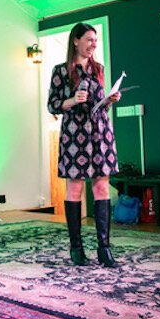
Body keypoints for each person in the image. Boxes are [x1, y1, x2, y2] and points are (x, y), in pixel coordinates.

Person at [47, 23, 121, 268]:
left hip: (100, 133)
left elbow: (99, 104)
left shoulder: (98, 69)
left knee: (102, 187)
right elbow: (52, 104)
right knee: (75, 189)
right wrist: (71, 100)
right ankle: (76, 248)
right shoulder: (61, 71)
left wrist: (110, 100)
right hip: (74, 134)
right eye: (89, 39)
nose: (93, 45)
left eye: (95, 40)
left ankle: (104, 248)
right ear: (76, 41)